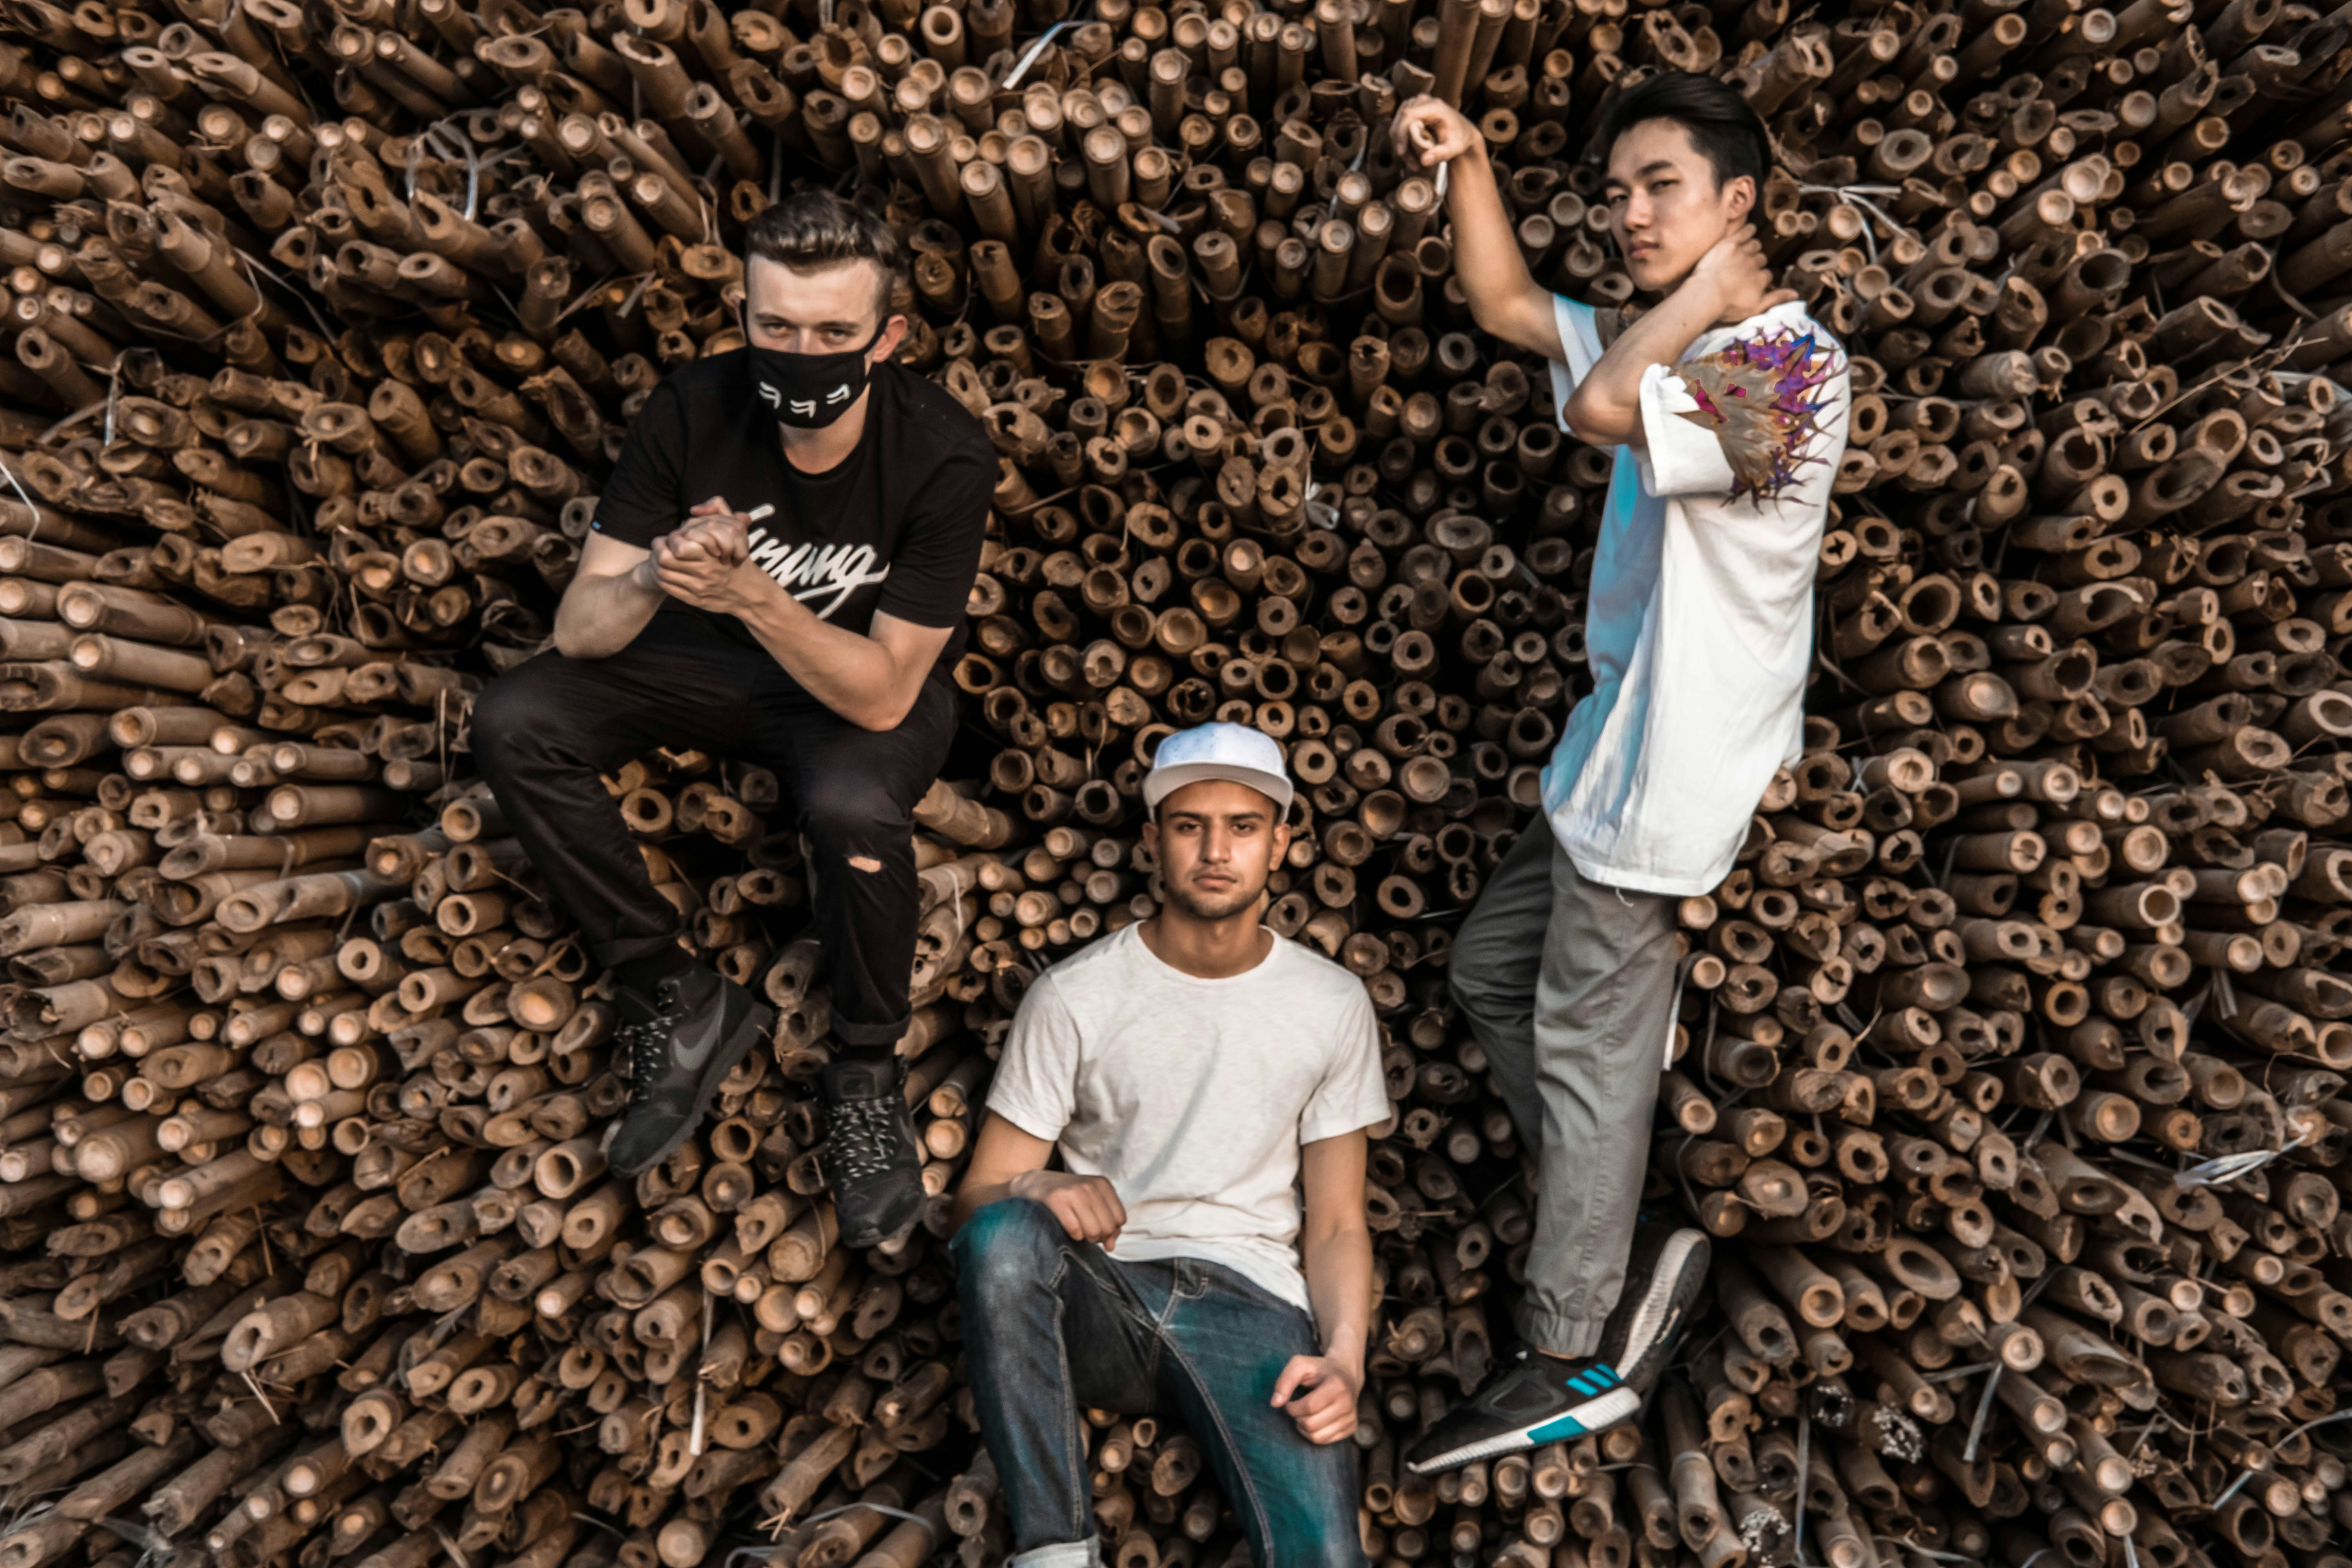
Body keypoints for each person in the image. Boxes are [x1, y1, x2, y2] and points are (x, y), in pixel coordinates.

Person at [1388, 72, 1852, 1470]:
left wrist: (1701, 295)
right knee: (1488, 973)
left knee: (1591, 1052)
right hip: (1608, 762)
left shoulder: (1786, 372)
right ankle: (1616, 1224)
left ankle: (1571, 1350)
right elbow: (1506, 305)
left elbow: (1599, 406)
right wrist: (1472, 159)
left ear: (1737, 205)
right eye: (1617, 192)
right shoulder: (1678, 338)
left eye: (1662, 187)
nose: (1630, 214)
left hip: (1672, 781)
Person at [470, 190, 996, 1245]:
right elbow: (580, 629)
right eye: (778, 328)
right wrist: (659, 573)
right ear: (745, 317)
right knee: (516, 716)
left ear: (887, 338)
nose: (802, 356)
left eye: (835, 335)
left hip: (854, 687)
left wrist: (756, 595)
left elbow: (887, 690)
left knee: (853, 808)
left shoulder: (942, 452)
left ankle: (864, 1071)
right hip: (703, 668)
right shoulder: (693, 408)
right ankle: (671, 991)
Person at [950, 722, 1387, 1568]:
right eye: (1191, 826)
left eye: (1243, 827)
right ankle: (1055, 1554)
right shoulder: (1075, 996)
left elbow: (1337, 1221)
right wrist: (1036, 1187)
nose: (1216, 850)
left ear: (1280, 844)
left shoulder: (1332, 1004)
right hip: (1105, 1292)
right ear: (1153, 841)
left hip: (1254, 1307)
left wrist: (1345, 1361)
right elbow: (976, 1203)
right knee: (1003, 1232)